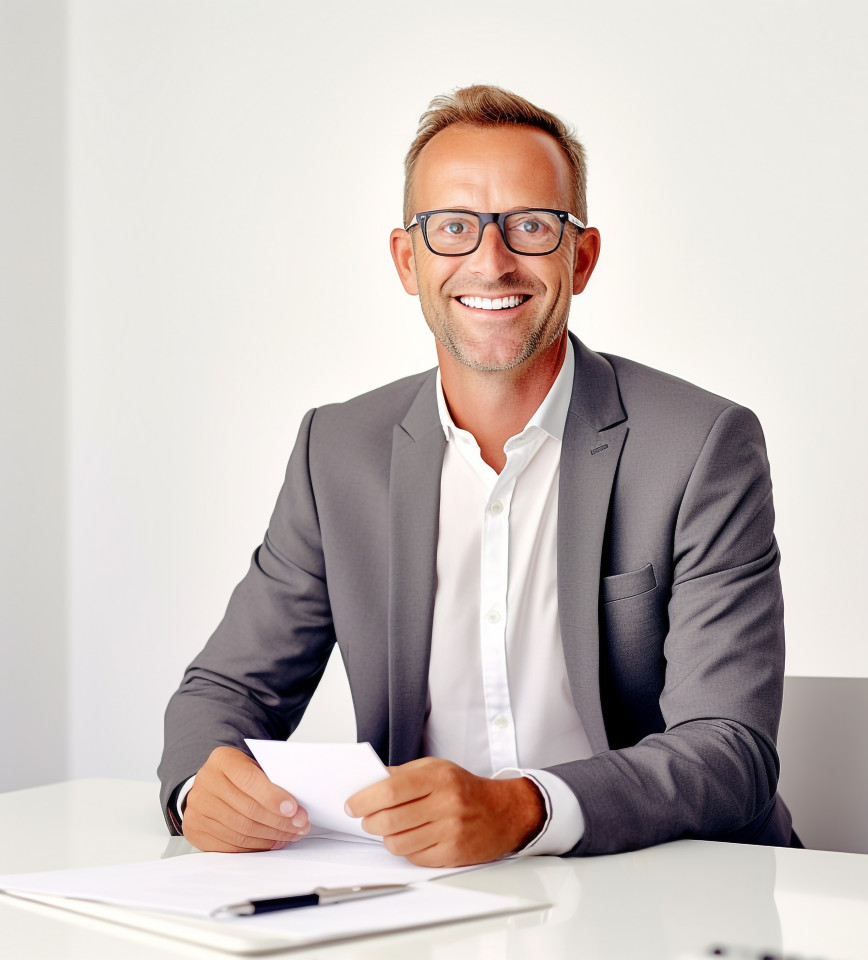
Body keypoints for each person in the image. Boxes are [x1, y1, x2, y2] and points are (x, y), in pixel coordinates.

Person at [159, 84, 794, 866]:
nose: (491, 264)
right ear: (408, 260)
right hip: (424, 897)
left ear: (581, 258)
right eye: (454, 227)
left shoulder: (699, 447)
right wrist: (202, 787)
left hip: (662, 887)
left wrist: (524, 808)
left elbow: (730, 750)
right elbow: (227, 691)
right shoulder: (338, 451)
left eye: (531, 225)